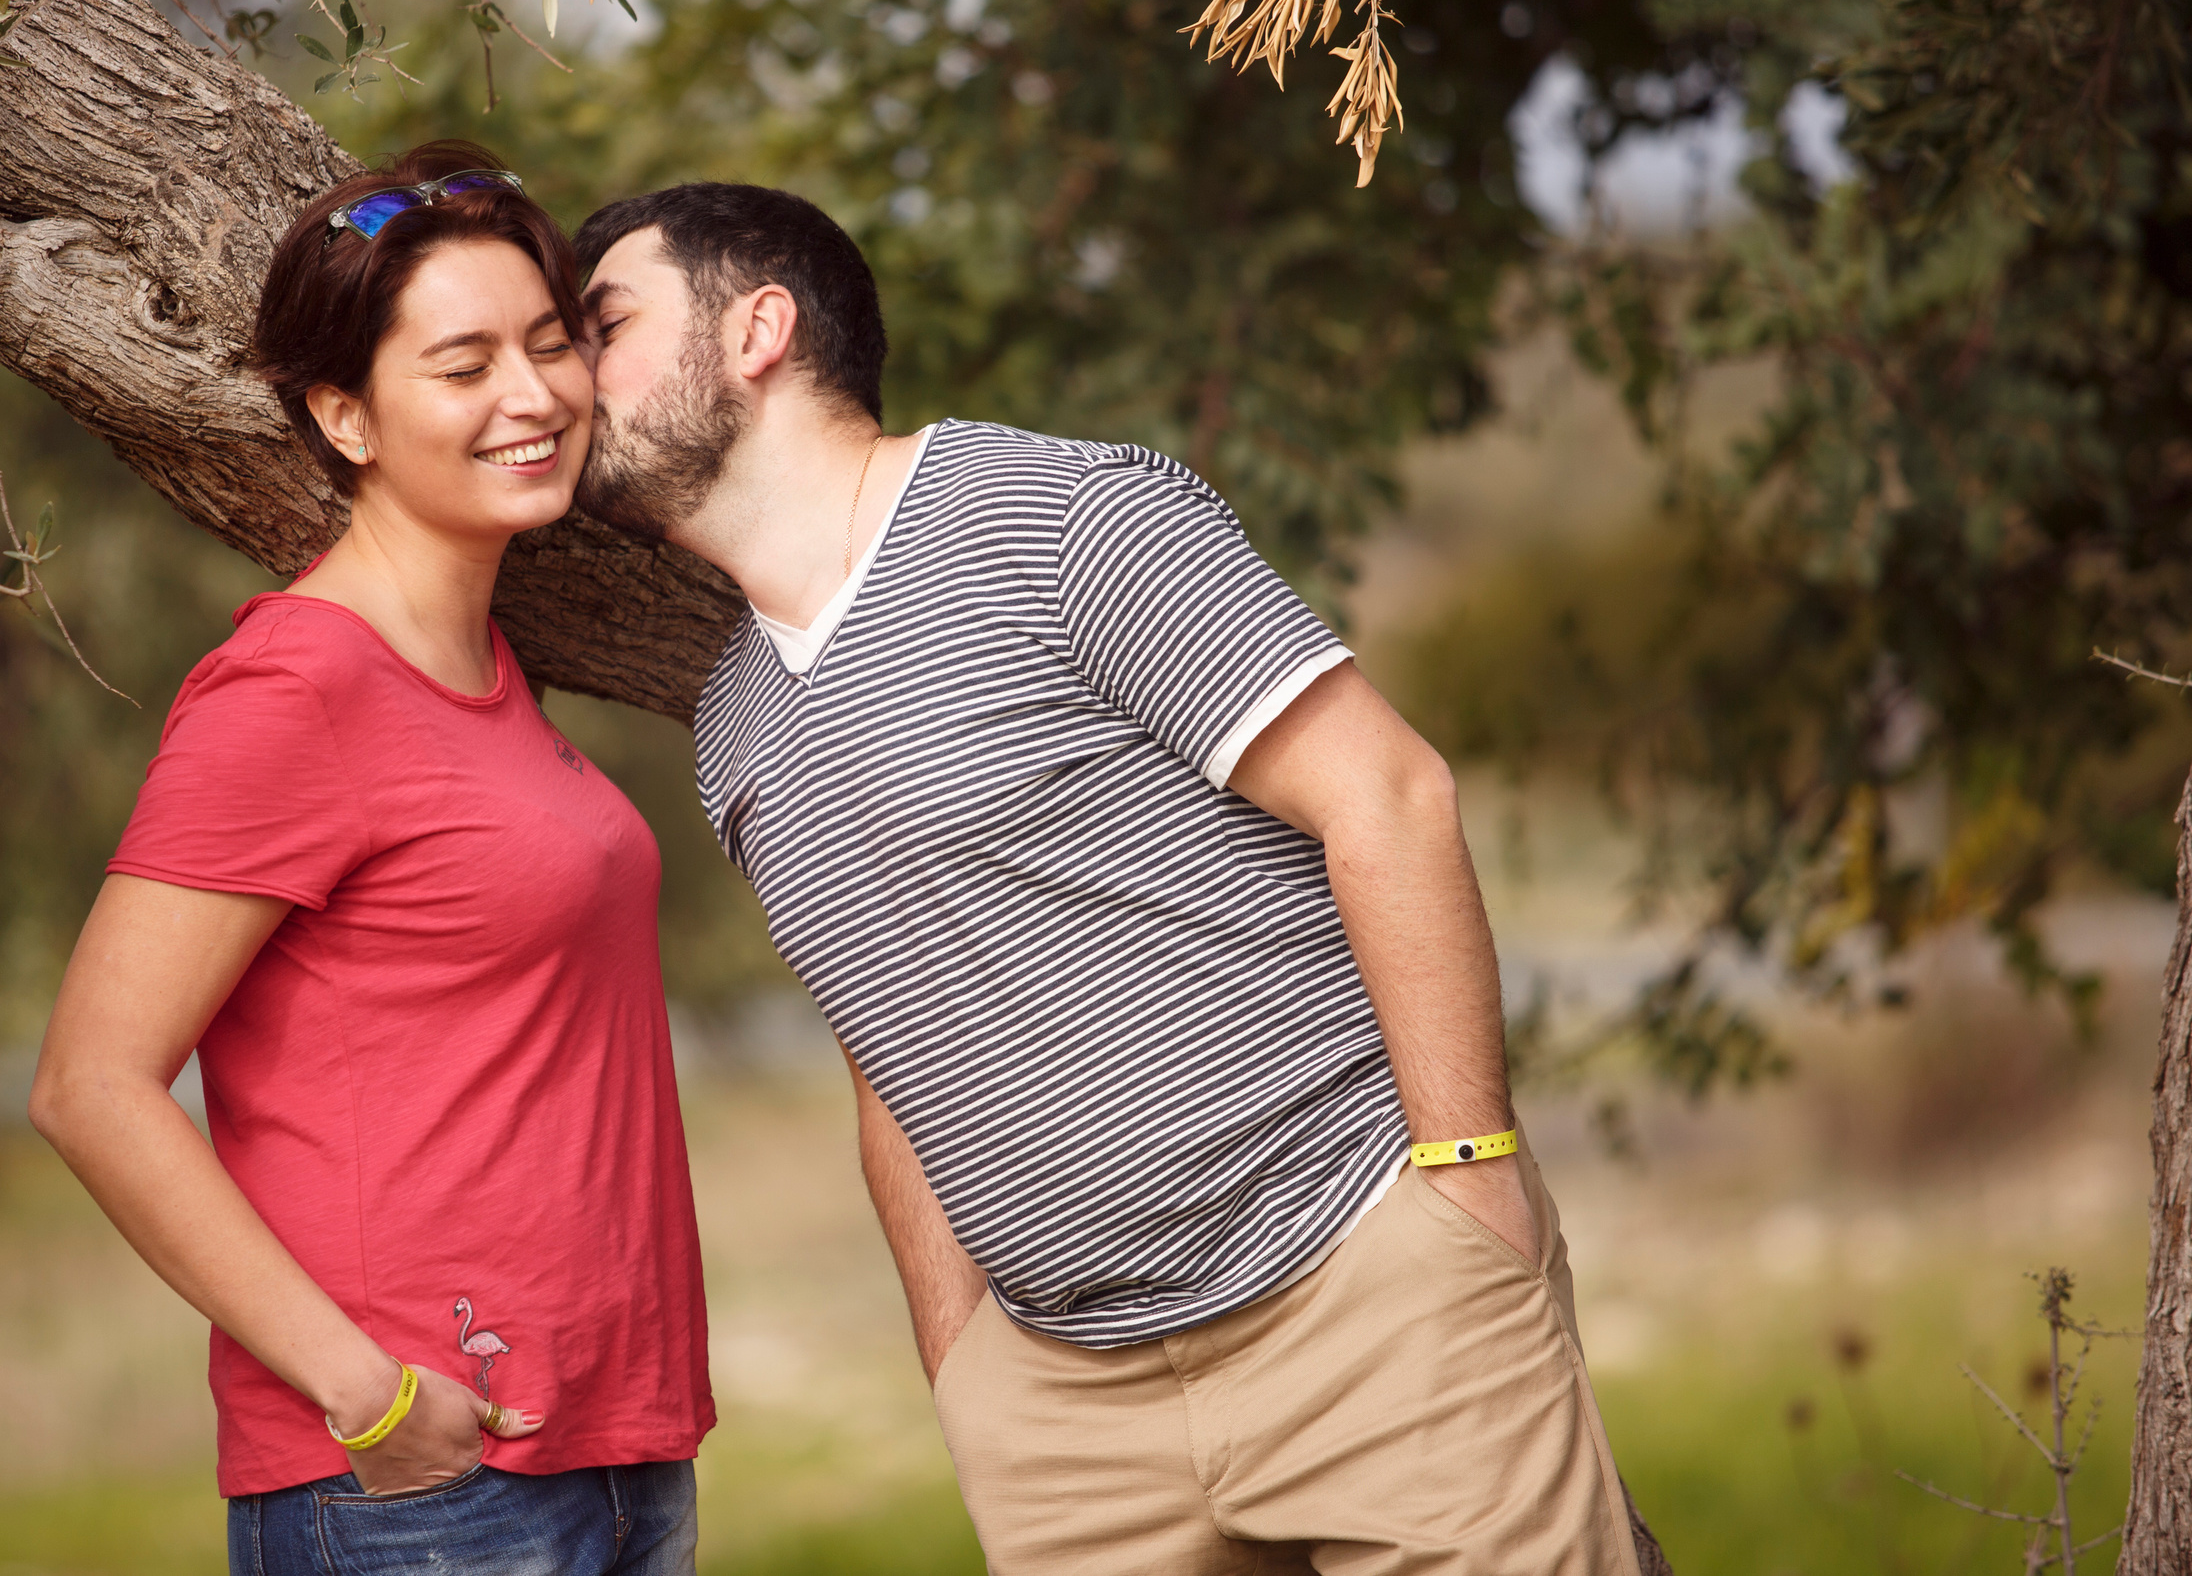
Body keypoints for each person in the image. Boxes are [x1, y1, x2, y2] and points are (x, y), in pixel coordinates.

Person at [570, 183, 1639, 1575]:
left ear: (760, 326)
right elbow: (884, 1047)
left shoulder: (1065, 517)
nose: (563, 374)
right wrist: (964, 1367)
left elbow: (1391, 796)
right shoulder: (734, 725)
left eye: (603, 323)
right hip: (1069, 1412)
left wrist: (1468, 1184)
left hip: (1365, 1299)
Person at [29, 143, 711, 1576]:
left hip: (610, 1452)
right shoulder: (295, 690)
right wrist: (369, 1397)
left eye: (548, 345)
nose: (531, 396)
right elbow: (91, 1084)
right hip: (426, 1491)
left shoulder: (484, 668)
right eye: (462, 366)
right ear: (343, 414)